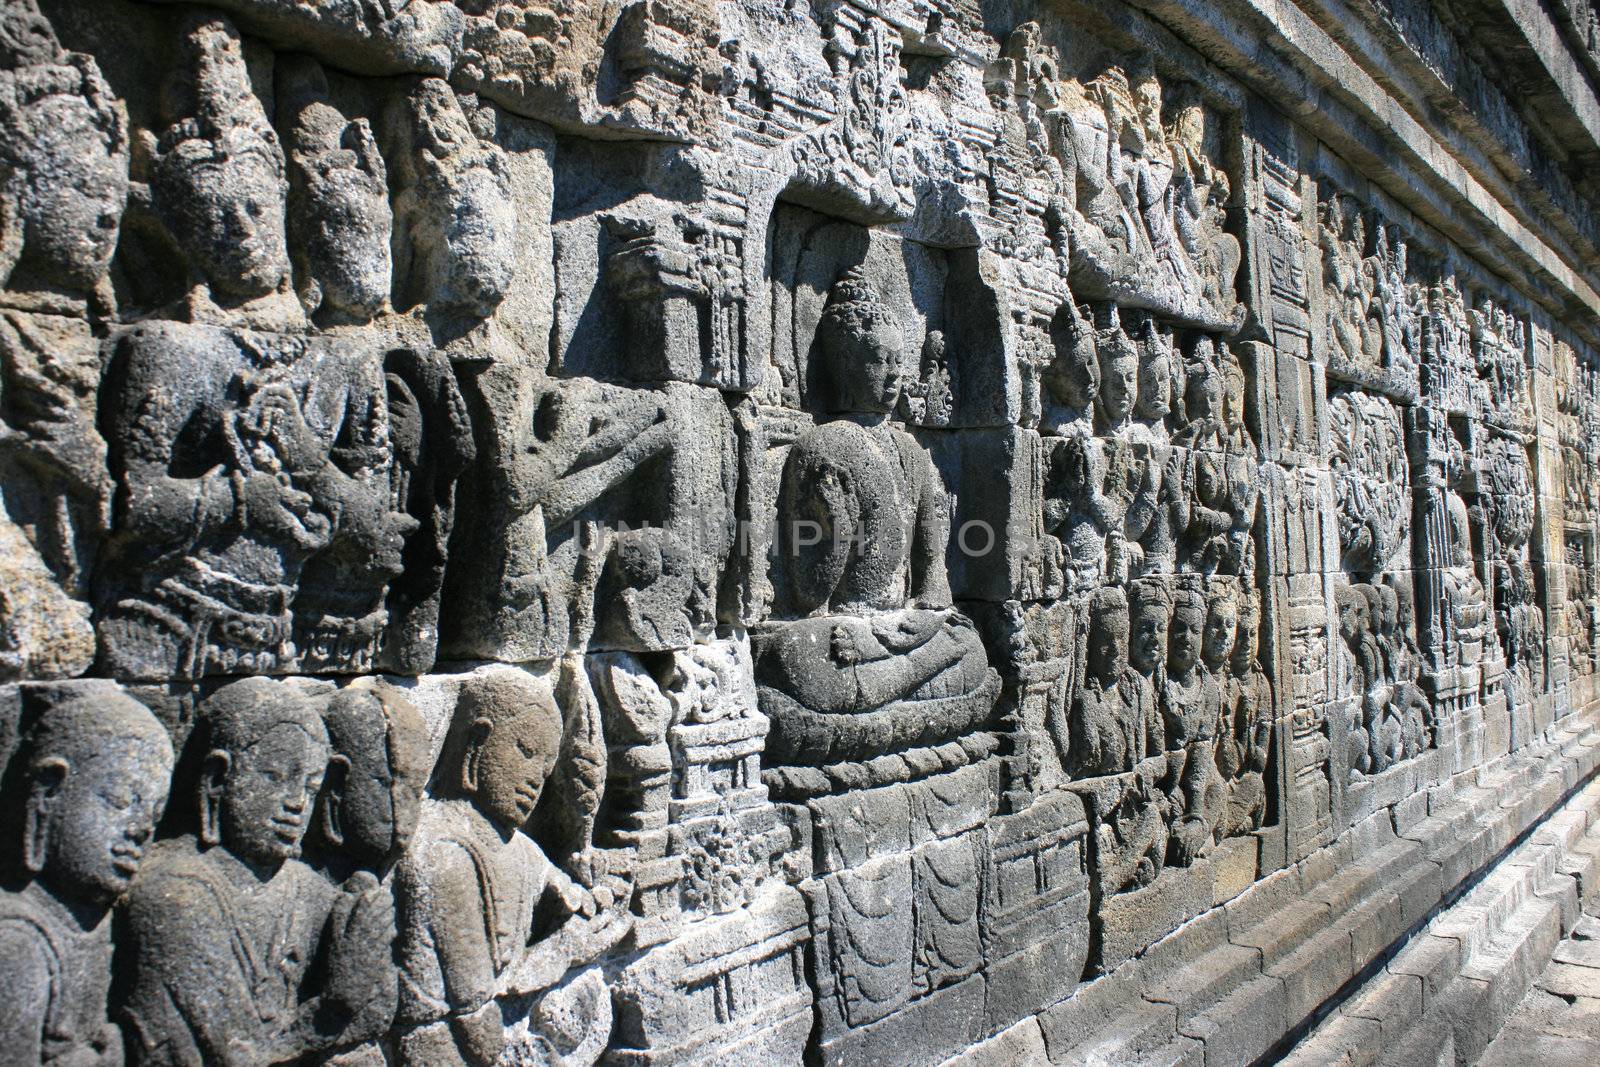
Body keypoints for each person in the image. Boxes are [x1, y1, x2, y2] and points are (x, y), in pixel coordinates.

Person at [755, 267, 995, 769]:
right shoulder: (821, 447)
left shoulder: (912, 451)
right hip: (839, 631)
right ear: (843, 365)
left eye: (897, 362)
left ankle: (875, 704)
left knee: (970, 649)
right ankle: (906, 701)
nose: (892, 377)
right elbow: (809, 596)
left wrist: (921, 619)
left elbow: (933, 583)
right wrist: (836, 535)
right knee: (799, 663)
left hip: (903, 634)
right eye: (877, 361)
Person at [121, 678, 392, 1065]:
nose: (296, 803)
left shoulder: (303, 887)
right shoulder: (175, 895)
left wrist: (367, 934)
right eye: (275, 777)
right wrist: (334, 1007)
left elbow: (378, 1008)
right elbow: (239, 1052)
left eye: (310, 787)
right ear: (218, 779)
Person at [394, 669, 626, 1067]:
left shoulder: (519, 849)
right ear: (477, 742)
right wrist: (567, 946)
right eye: (524, 751)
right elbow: (478, 1014)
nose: (535, 779)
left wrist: (593, 901)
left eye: (546, 766)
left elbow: (572, 896)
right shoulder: (444, 855)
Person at [0, 690, 172, 1065]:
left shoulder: (92, 924)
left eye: (155, 816)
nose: (140, 829)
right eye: (120, 801)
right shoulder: (16, 944)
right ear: (48, 792)